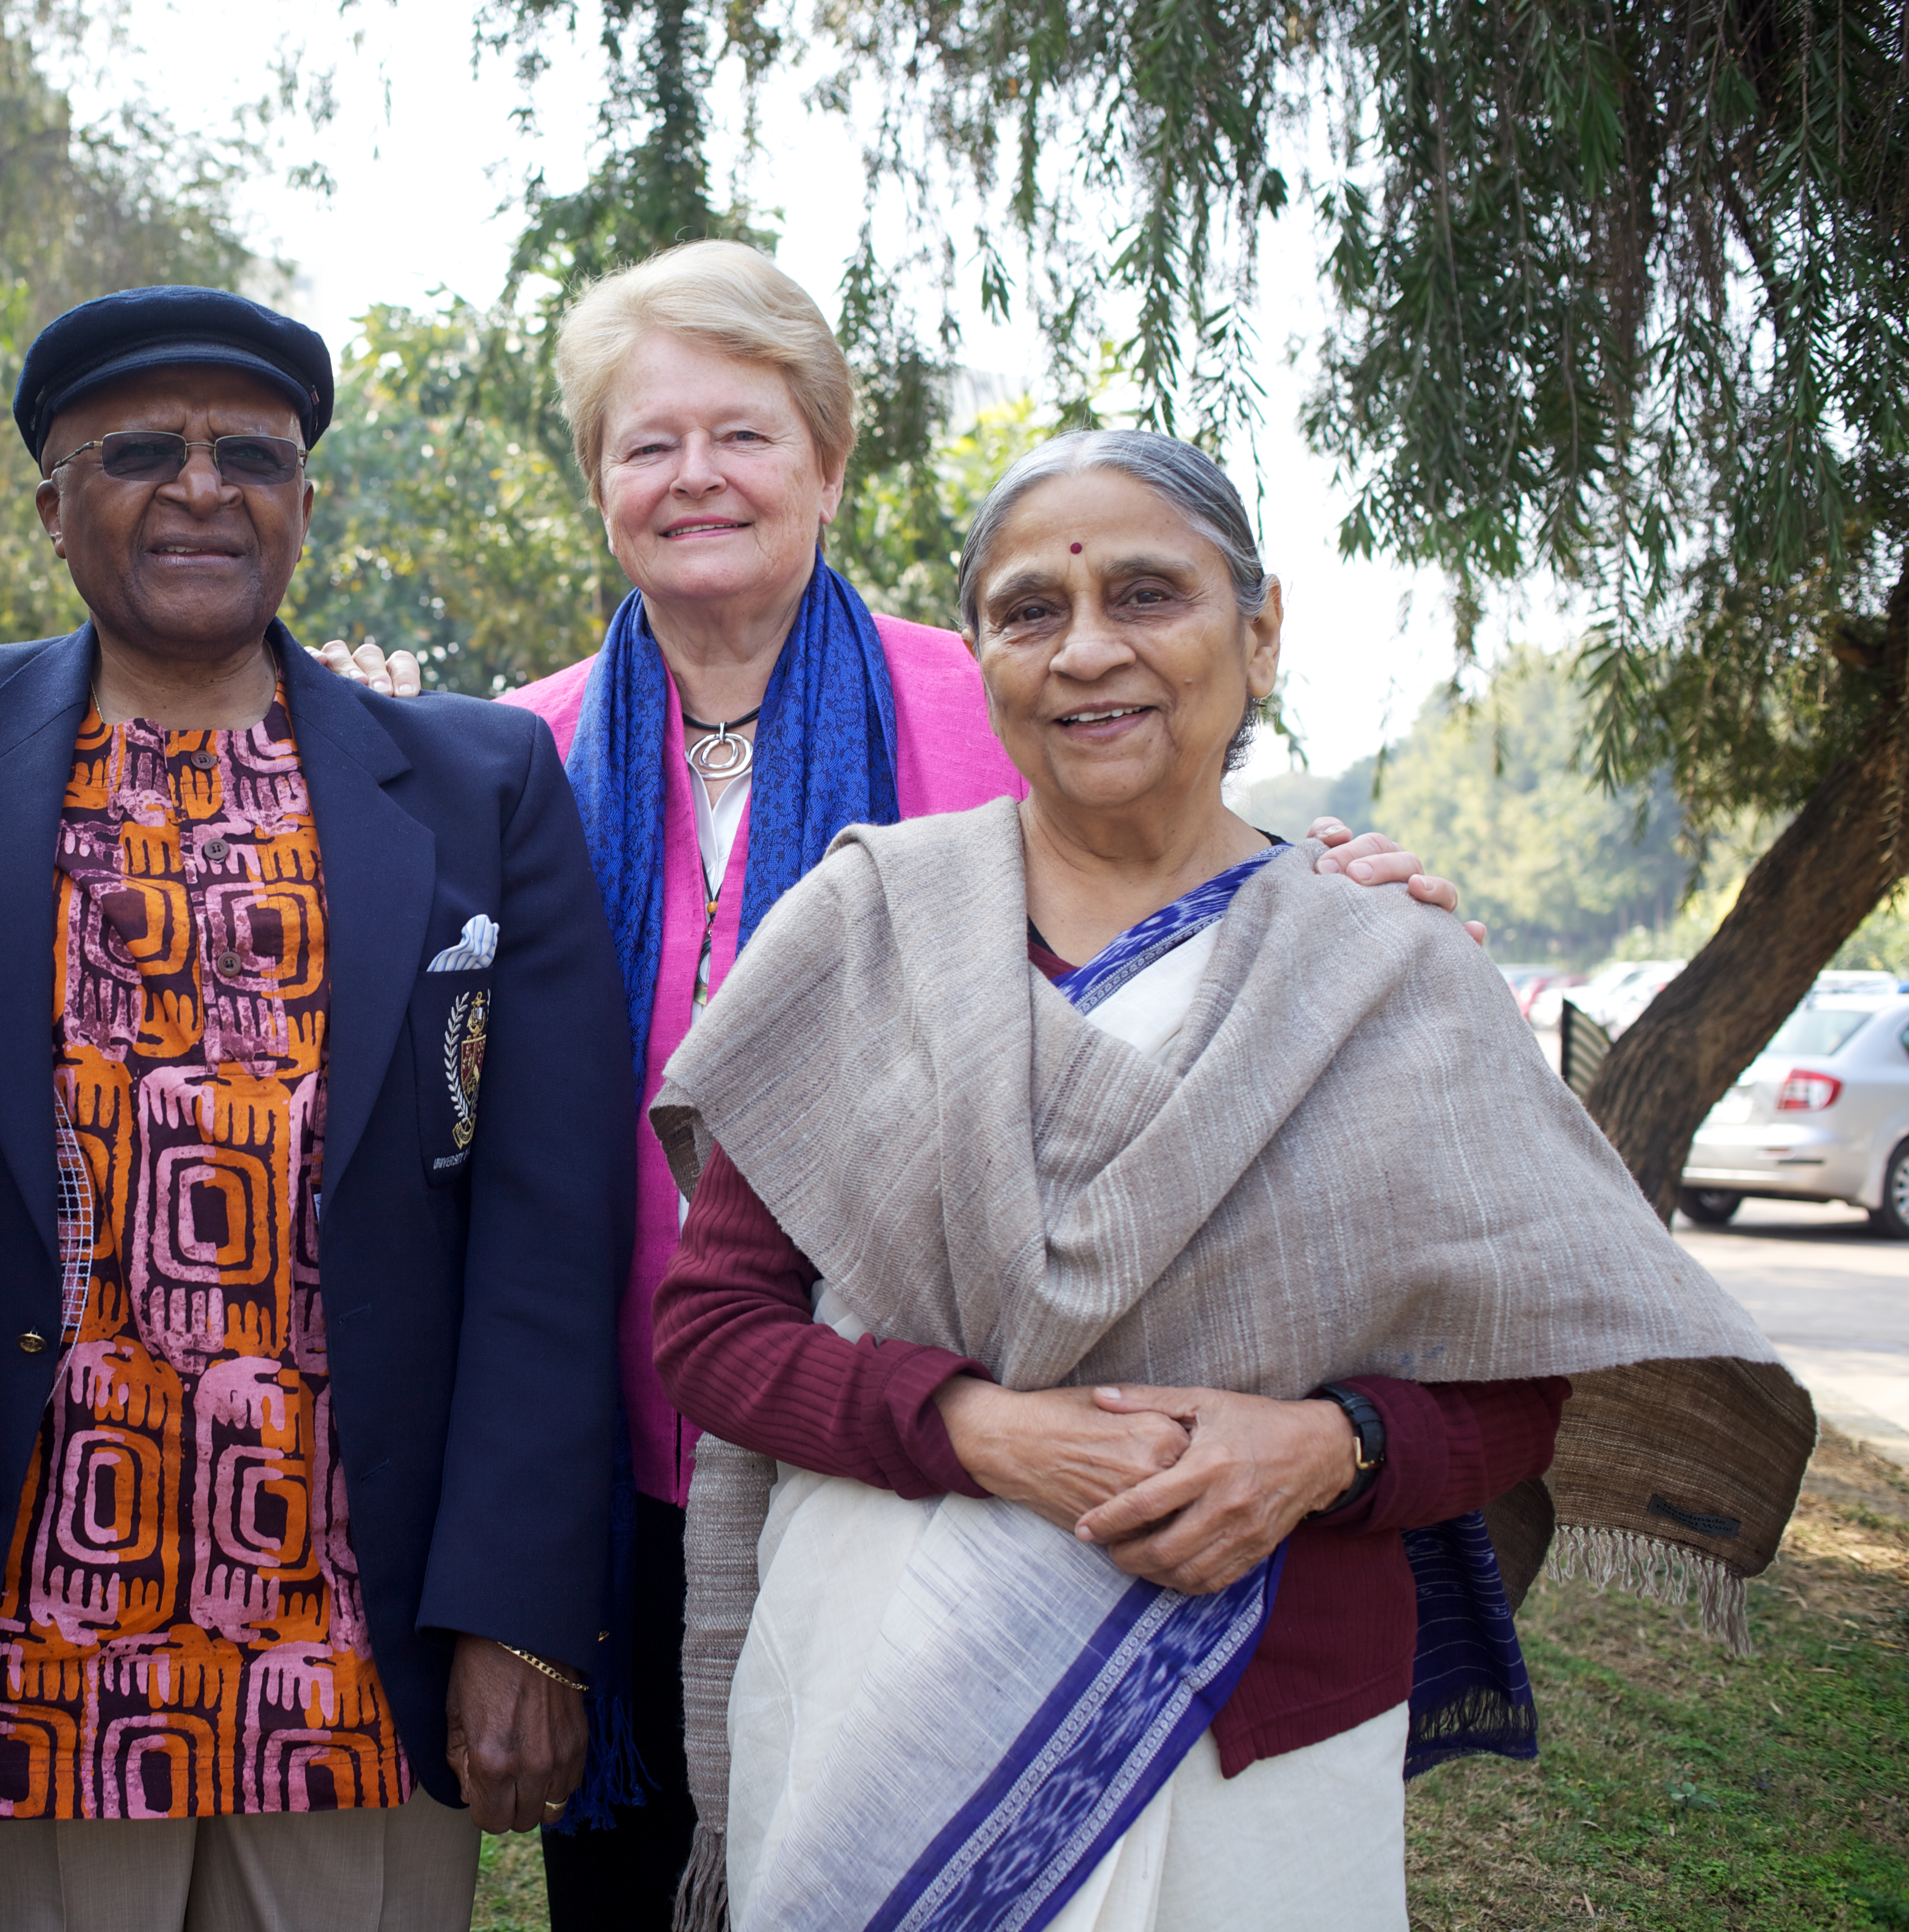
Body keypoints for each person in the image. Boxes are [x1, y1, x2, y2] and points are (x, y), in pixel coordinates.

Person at [321, 238, 1480, 1929]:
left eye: (746, 432)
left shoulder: (1003, 699)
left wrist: (1341, 889)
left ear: (830, 459)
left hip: (963, 1457)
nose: (696, 476)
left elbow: (1194, 894)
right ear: (597, 484)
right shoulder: (515, 755)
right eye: (647, 444)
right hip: (605, 1465)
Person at [643, 428, 1816, 1930]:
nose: (1086, 653)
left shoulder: (1386, 972)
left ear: (1259, 631)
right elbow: (715, 1332)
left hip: (1259, 1715)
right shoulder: (868, 925)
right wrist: (980, 1431)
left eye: (1148, 595)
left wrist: (1330, 1451)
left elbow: (1518, 1395)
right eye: (1029, 612)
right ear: (979, 653)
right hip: (884, 1681)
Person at [0, 285, 638, 1929]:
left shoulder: (483, 785)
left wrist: (522, 1613)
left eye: (253, 455)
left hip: (356, 1634)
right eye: (140, 449)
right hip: (29, 1626)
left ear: (302, 499)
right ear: (54, 504)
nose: (203, 487)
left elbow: (552, 1229)